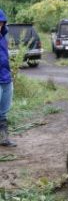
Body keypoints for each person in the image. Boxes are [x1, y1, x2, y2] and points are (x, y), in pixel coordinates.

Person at [0, 9, 17, 147]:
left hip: (6, 78)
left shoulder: (3, 37)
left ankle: (4, 138)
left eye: (1, 23)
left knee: (4, 110)